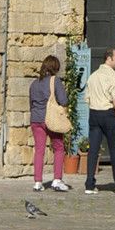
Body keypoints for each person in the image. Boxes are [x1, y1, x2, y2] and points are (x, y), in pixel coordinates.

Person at [83, 46, 115, 195]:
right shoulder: (110, 74)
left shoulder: (93, 76)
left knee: (93, 150)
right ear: (109, 58)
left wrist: (95, 104)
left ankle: (89, 184)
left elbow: (86, 97)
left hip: (94, 114)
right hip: (107, 113)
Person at [28, 54, 70, 192]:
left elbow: (31, 102)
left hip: (36, 119)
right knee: (58, 147)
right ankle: (57, 179)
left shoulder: (34, 84)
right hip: (50, 118)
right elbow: (63, 100)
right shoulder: (54, 81)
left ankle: (38, 182)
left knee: (39, 150)